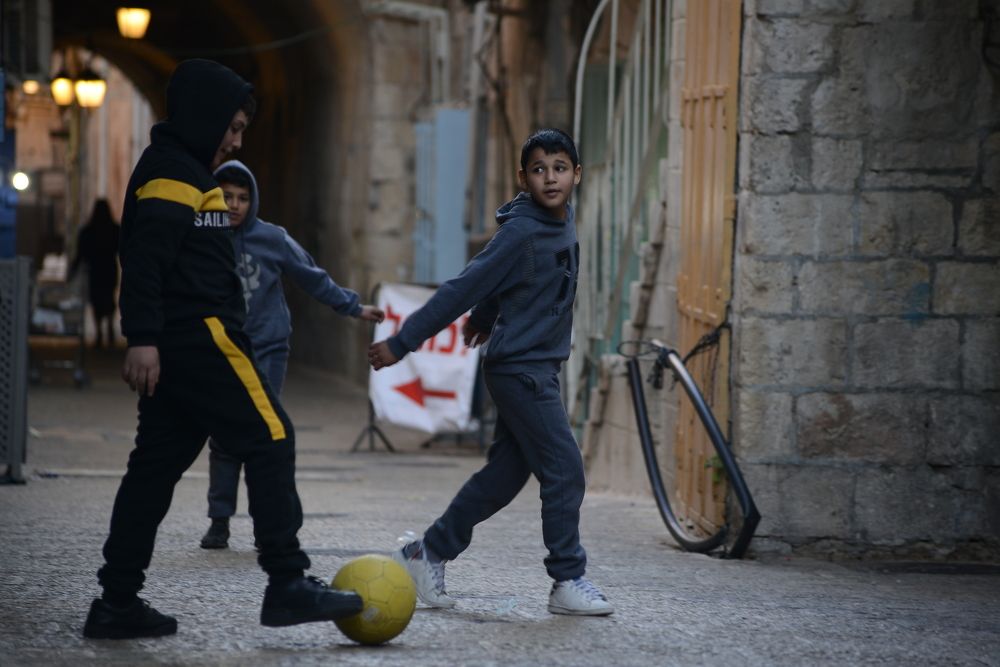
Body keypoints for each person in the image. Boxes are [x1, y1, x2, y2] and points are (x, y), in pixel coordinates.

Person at [83, 59, 363, 640]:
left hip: (185, 342)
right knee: (271, 435)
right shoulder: (172, 175)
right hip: (202, 335)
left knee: (153, 469)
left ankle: (116, 601)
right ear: (206, 117)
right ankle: (287, 581)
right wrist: (142, 338)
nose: (236, 142)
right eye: (232, 128)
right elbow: (144, 262)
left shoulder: (187, 171)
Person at [368, 128, 614, 616]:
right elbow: (464, 286)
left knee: (504, 476)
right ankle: (567, 578)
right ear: (523, 178)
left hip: (537, 366)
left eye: (560, 168)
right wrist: (402, 341)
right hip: (521, 370)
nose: (550, 178)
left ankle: (426, 553)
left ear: (578, 175)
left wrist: (485, 317)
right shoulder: (520, 233)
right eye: (539, 170)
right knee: (564, 469)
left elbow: (517, 282)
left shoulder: (562, 219)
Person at [198, 159, 384, 550]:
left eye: (242, 198)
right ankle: (219, 520)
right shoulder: (202, 237)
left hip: (267, 348)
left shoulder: (273, 239)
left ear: (253, 200)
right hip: (223, 352)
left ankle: (267, 523)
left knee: (264, 433)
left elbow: (310, 275)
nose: (234, 205)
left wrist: (353, 307)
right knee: (224, 435)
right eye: (226, 197)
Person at [69, 198, 120, 348]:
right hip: (109, 268)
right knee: (109, 297)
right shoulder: (114, 229)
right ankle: (109, 326)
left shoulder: (88, 231)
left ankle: (99, 332)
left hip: (95, 270)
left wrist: (72, 272)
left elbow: (80, 254)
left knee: (96, 300)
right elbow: (122, 249)